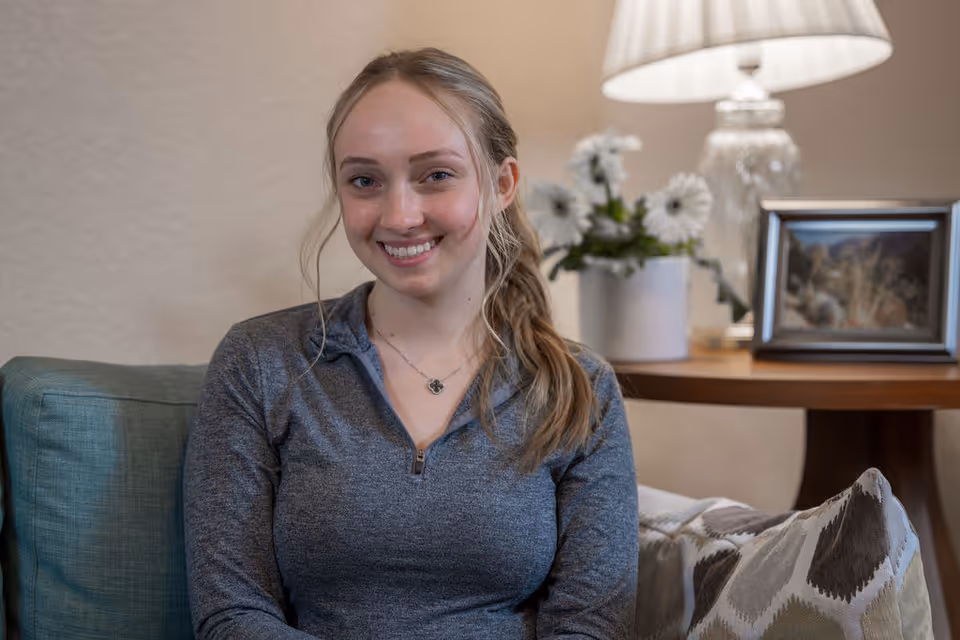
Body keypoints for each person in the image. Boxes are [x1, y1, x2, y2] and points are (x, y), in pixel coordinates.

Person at [183, 47, 639, 640]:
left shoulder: (580, 388)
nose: (399, 215)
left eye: (436, 175)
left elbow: (591, 628)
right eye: (365, 180)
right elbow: (231, 616)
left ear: (501, 183)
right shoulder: (260, 361)